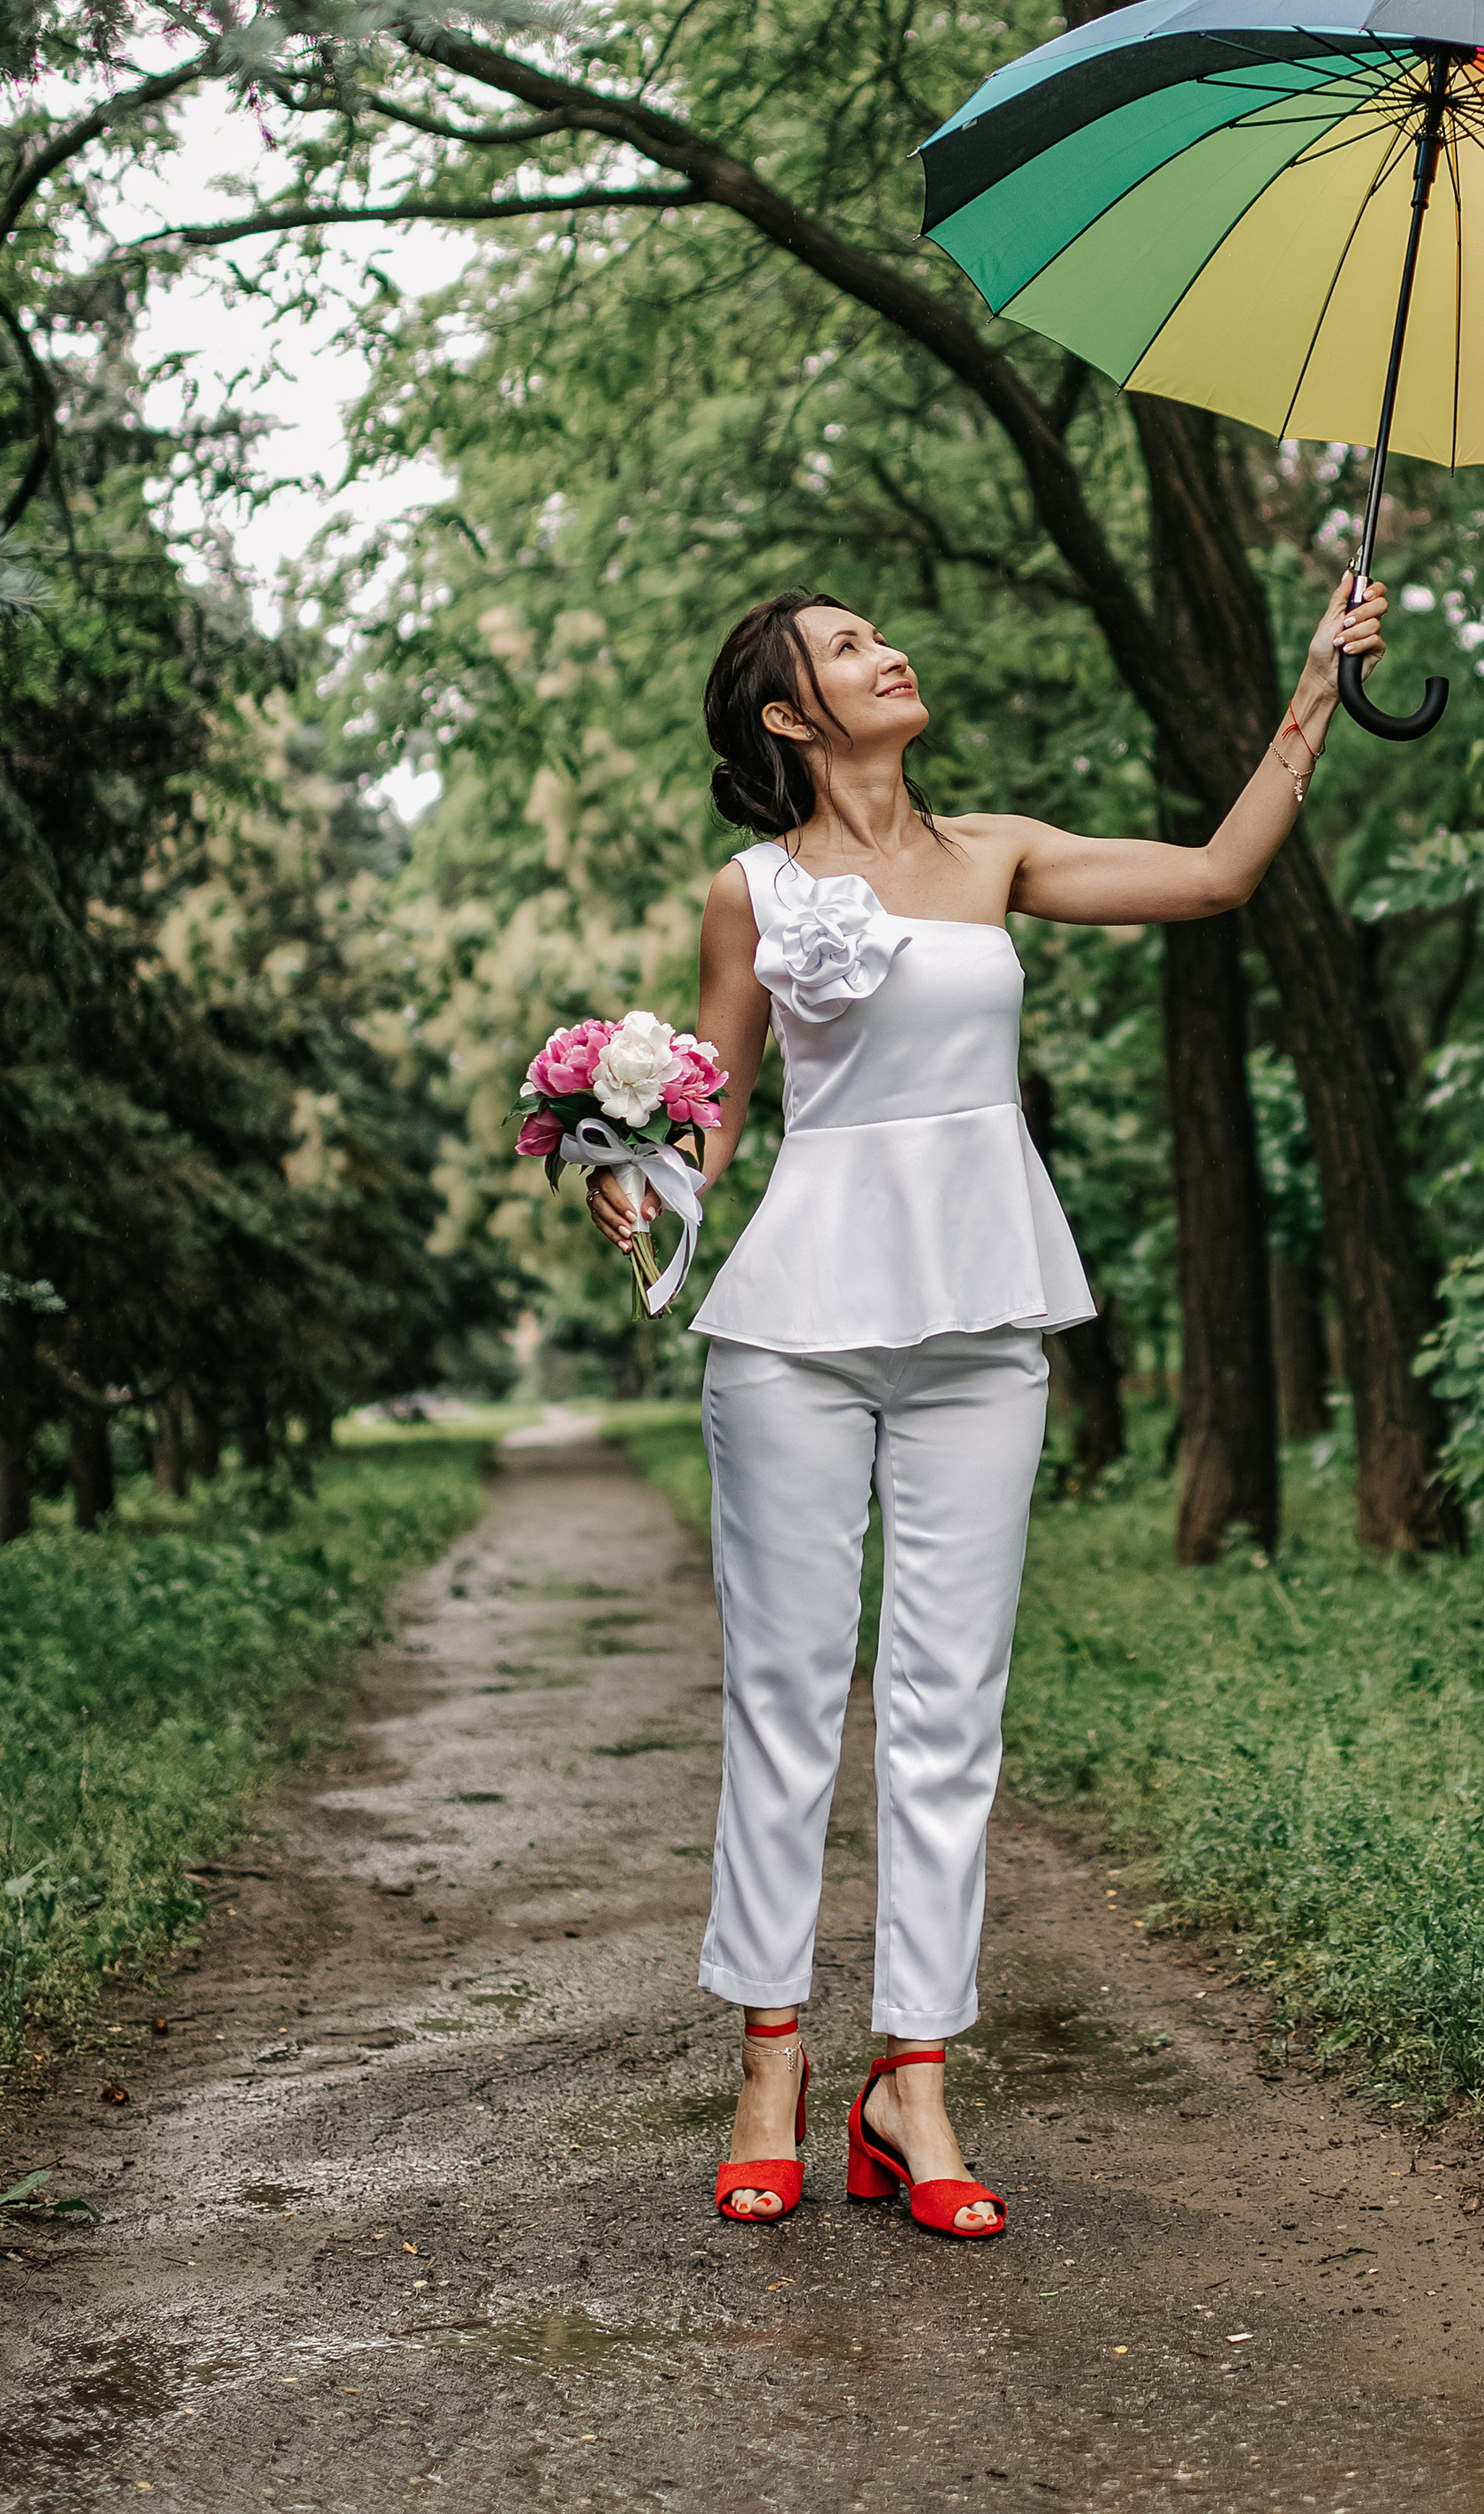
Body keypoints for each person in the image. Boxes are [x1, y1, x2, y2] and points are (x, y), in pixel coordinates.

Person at [587, 569, 1389, 2238]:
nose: (891, 646)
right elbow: (718, 1106)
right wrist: (639, 1172)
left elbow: (1224, 872)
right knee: (789, 1696)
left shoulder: (1001, 851)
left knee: (953, 1702)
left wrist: (1315, 681)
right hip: (800, 1318)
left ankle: (915, 2083)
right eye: (849, 645)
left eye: (885, 628)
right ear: (792, 716)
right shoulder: (750, 887)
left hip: (980, 1309)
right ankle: (771, 2064)